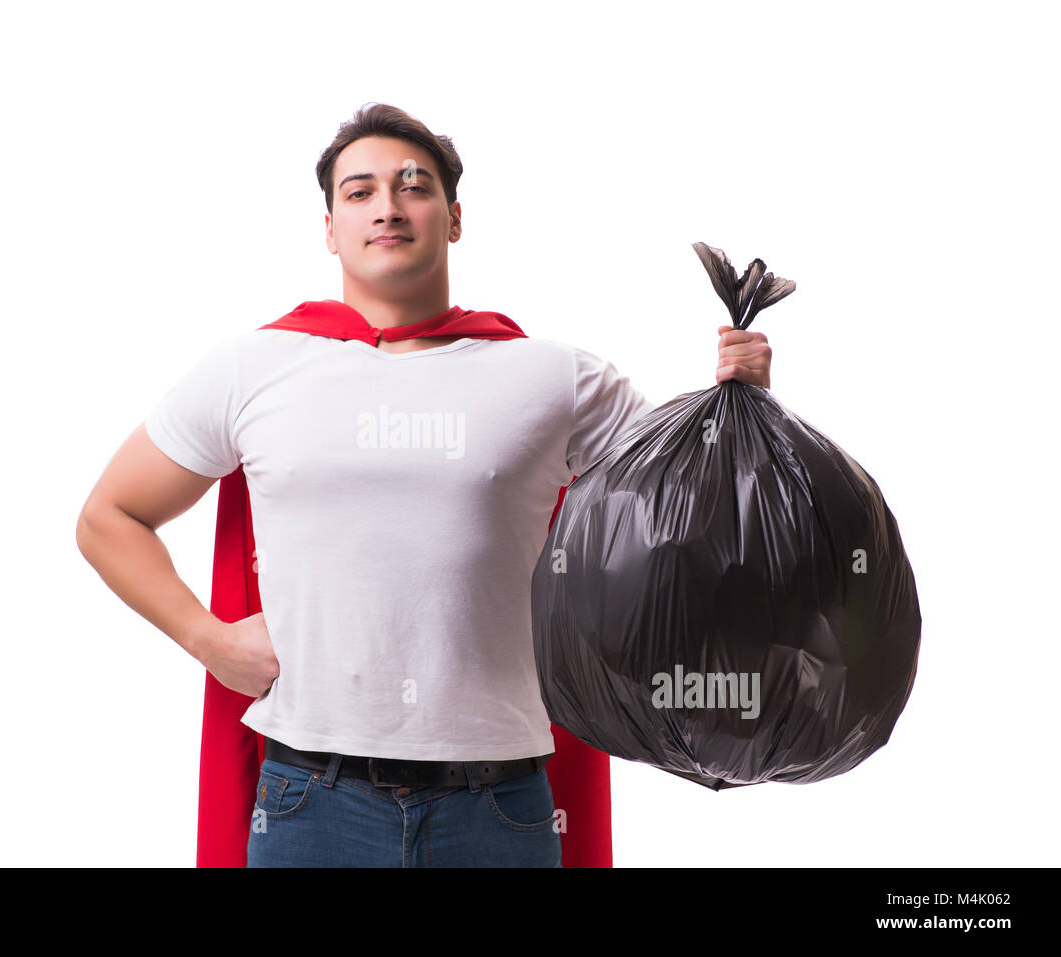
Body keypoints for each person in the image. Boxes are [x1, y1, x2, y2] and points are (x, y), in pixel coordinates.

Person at [75, 103, 772, 868]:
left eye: (414, 185)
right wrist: (207, 638)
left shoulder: (552, 376)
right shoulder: (253, 368)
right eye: (360, 190)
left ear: (455, 216)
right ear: (331, 228)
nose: (388, 205)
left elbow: (696, 516)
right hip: (310, 803)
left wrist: (743, 405)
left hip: (500, 806)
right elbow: (110, 515)